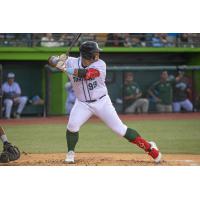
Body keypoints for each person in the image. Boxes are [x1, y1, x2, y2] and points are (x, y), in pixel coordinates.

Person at [48, 41, 162, 164]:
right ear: (87, 55)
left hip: (102, 102)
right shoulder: (71, 61)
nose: (97, 55)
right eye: (95, 53)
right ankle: (70, 153)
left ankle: (150, 148)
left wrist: (64, 68)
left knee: (120, 130)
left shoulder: (100, 64)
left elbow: (86, 74)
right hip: (82, 103)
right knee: (72, 126)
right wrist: (57, 60)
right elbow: (50, 59)